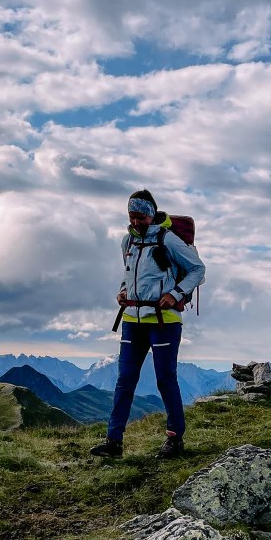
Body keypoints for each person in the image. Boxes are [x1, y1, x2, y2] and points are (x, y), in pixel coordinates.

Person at [90, 189, 205, 459]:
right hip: (132, 319)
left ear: (151, 215)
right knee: (125, 380)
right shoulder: (127, 241)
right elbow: (129, 274)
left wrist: (175, 295)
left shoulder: (169, 240)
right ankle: (113, 442)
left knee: (165, 379)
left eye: (140, 217)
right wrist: (122, 291)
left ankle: (175, 439)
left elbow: (198, 269)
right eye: (131, 217)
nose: (135, 222)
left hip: (163, 320)